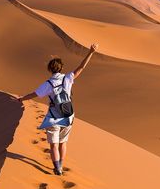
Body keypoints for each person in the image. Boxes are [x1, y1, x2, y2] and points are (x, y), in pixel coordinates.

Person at [18, 44, 99, 175]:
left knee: (53, 145)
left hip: (54, 117)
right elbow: (81, 67)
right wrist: (91, 52)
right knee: (63, 143)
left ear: (50, 69)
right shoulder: (68, 78)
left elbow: (35, 94)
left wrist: (21, 99)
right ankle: (60, 164)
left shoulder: (48, 84)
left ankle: (57, 168)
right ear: (61, 68)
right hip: (69, 115)